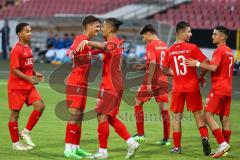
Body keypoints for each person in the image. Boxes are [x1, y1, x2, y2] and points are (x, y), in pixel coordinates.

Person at [76, 17, 140, 160]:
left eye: (103, 26)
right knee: (109, 117)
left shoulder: (113, 43)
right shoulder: (115, 43)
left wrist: (87, 41)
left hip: (110, 85)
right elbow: (96, 51)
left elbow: (104, 47)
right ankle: (131, 142)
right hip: (115, 84)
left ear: (110, 29)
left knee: (101, 116)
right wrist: (79, 52)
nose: (101, 29)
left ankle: (103, 152)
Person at [162, 21, 211, 155]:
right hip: (192, 87)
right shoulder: (192, 48)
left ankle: (177, 147)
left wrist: (174, 73)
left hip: (178, 88)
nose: (191, 34)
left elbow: (163, 69)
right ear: (181, 32)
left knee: (177, 117)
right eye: (188, 31)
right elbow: (207, 62)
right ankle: (204, 137)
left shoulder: (170, 50)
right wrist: (201, 75)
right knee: (197, 115)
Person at [186, 26, 233, 158]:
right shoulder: (229, 51)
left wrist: (196, 64)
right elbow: (215, 66)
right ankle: (225, 148)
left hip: (218, 88)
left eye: (215, 34)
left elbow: (213, 67)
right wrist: (202, 75)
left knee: (206, 116)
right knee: (225, 117)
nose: (212, 36)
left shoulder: (219, 50)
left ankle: (222, 143)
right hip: (228, 88)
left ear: (222, 37)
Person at [63, 15, 101, 159]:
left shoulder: (88, 43)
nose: (99, 28)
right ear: (89, 25)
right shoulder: (80, 38)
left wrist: (103, 49)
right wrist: (71, 52)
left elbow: (90, 51)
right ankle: (68, 149)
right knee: (74, 115)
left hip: (83, 84)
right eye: (97, 26)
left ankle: (76, 147)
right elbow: (71, 50)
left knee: (79, 116)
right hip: (76, 83)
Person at [8, 23, 45, 151]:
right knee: (15, 114)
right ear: (19, 34)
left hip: (28, 85)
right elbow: (15, 70)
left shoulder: (28, 47)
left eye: (30, 31)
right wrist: (29, 78)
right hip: (16, 87)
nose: (30, 33)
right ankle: (16, 144)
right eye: (27, 31)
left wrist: (34, 73)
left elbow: (27, 66)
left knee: (40, 106)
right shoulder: (16, 49)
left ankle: (25, 132)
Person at [132, 24, 171, 146]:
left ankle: (141, 134)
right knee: (164, 109)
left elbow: (153, 63)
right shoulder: (164, 45)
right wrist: (144, 66)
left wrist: (148, 83)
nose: (144, 40)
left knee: (137, 102)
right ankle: (165, 139)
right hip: (163, 81)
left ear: (149, 34)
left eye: (144, 37)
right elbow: (161, 64)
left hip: (152, 80)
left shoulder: (150, 45)